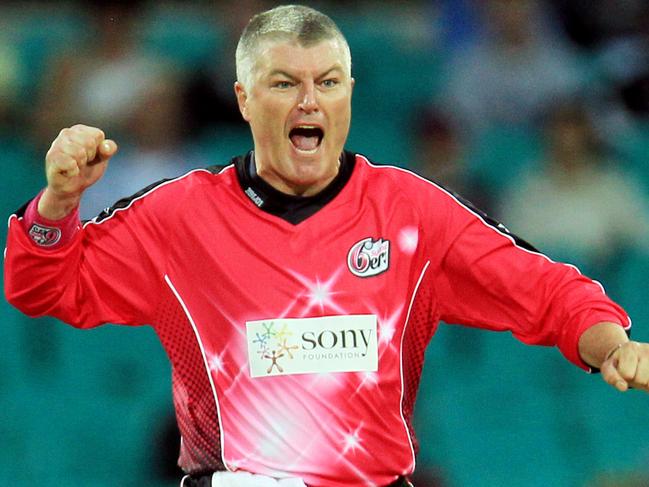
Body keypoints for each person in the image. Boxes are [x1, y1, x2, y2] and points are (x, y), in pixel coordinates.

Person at [4, 5, 649, 487]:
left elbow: (545, 291)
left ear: (349, 96)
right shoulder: (177, 216)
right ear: (244, 100)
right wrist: (58, 205)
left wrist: (611, 345)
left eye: (329, 82)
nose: (309, 100)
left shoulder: (411, 211)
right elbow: (42, 288)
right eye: (284, 83)